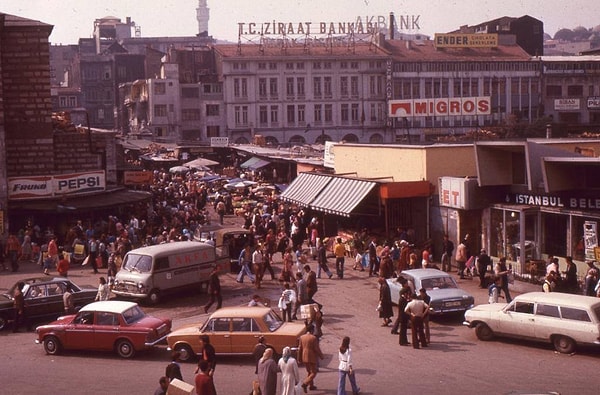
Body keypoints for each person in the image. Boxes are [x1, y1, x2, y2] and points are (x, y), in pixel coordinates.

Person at [298, 326, 324, 393]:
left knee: (309, 372)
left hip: (304, 356)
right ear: (312, 330)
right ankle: (305, 383)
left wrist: (299, 358)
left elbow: (300, 348)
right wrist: (321, 356)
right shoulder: (313, 338)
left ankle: (311, 386)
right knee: (314, 372)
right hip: (312, 357)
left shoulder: (302, 337)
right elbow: (316, 348)